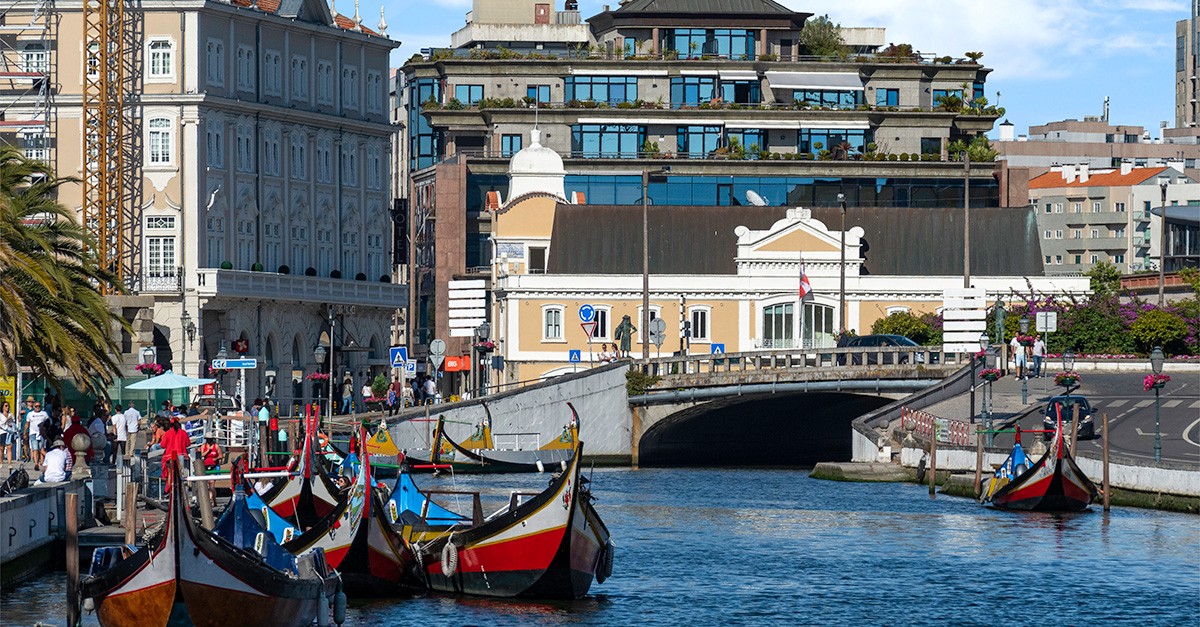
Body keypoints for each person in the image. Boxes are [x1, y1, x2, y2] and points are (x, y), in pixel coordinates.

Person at [25, 401, 50, 469]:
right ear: (33, 407)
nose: (38, 407)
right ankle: (36, 464)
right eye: (36, 406)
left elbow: (48, 422)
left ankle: (44, 461)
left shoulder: (44, 414)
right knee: (35, 449)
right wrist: (25, 433)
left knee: (41, 449)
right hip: (33, 433)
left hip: (42, 433)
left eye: (39, 406)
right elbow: (27, 424)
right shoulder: (30, 414)